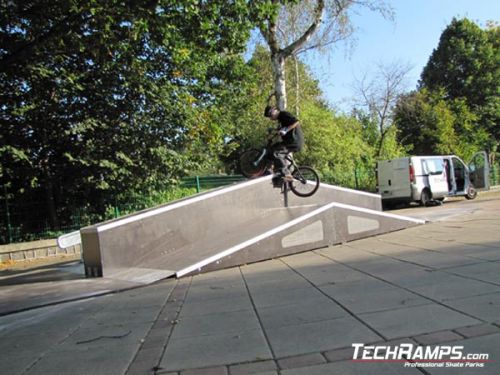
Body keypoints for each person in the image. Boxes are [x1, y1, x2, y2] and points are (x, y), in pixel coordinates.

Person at [264, 105, 304, 182]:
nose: (271, 118)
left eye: (270, 116)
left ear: (274, 111)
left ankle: (286, 174)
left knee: (276, 152)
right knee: (273, 148)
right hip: (289, 142)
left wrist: (286, 130)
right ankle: (273, 171)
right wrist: (272, 132)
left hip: (294, 141)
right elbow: (280, 131)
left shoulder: (284, 114)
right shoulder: (281, 120)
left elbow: (296, 122)